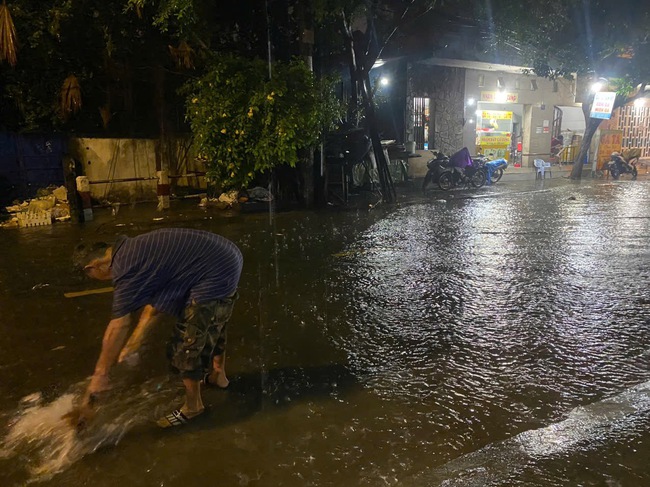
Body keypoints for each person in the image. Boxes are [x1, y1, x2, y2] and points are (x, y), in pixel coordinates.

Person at [72, 228, 243, 429]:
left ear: (93, 267)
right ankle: (217, 375)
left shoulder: (126, 269)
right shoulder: (131, 251)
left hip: (215, 271)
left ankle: (193, 406)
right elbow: (154, 307)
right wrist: (134, 342)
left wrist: (100, 375)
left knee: (187, 343)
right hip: (225, 257)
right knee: (214, 320)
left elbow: (118, 325)